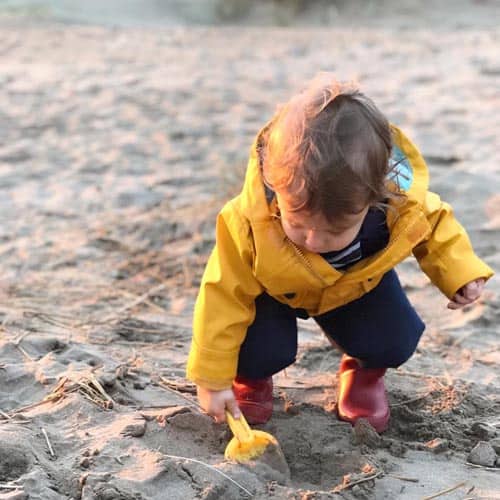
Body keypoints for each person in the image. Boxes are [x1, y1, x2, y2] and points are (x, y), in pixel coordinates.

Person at [186, 74, 493, 433]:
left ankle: (362, 373)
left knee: (393, 340)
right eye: (298, 225)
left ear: (375, 196)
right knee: (257, 348)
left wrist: (460, 272)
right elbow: (221, 294)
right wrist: (212, 377)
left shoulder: (398, 204)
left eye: (334, 231)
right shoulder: (246, 222)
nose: (313, 241)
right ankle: (250, 379)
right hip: (269, 292)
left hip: (353, 288)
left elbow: (437, 223)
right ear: (274, 183)